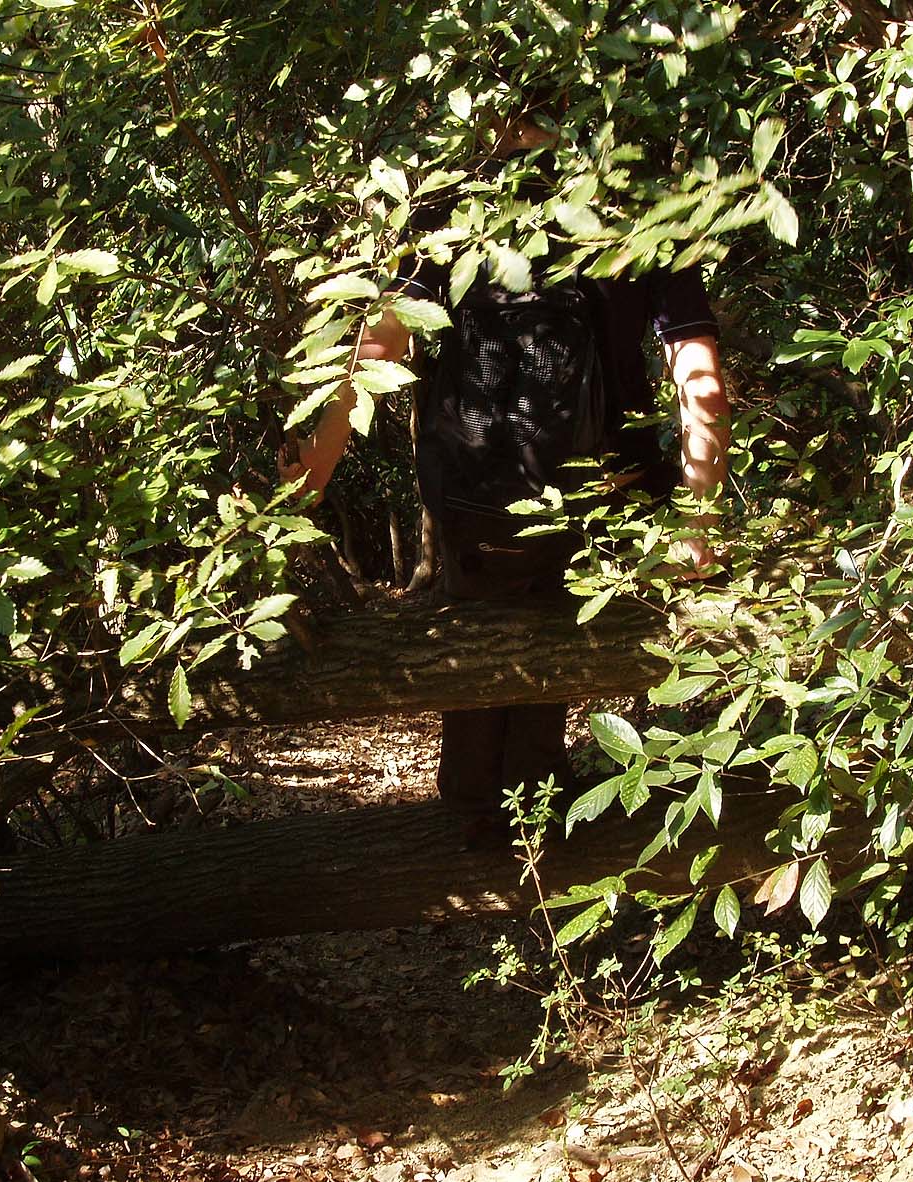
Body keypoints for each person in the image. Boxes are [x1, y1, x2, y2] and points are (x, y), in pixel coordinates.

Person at [283, 116, 732, 817]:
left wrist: (307, 483)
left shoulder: (451, 208)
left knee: (483, 647)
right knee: (557, 647)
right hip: (608, 495)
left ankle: (479, 817)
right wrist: (697, 517)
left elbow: (376, 351)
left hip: (478, 499)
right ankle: (535, 813)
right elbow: (698, 376)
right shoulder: (641, 205)